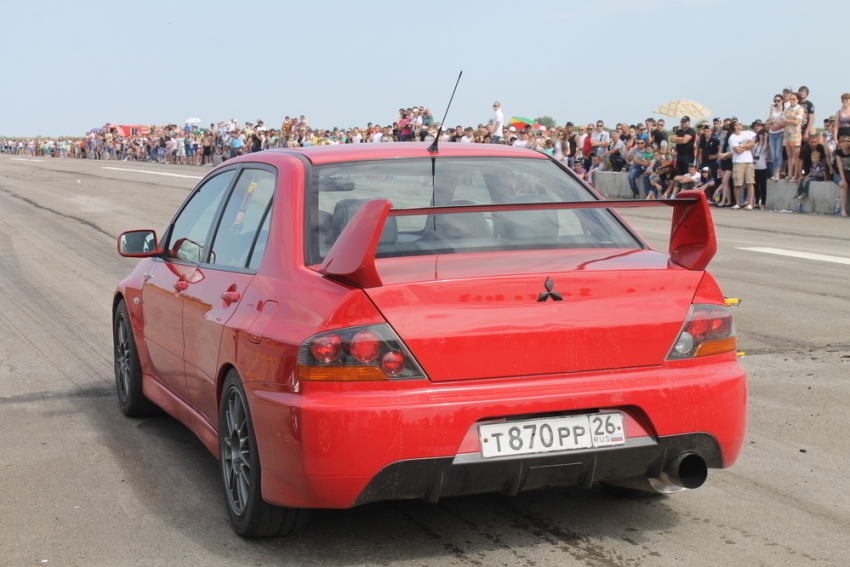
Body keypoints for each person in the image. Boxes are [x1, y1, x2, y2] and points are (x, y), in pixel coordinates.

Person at [728, 120, 756, 209]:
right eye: (739, 124)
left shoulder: (745, 133)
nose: (741, 125)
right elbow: (737, 150)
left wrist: (743, 146)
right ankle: (737, 203)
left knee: (750, 182)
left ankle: (750, 203)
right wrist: (747, 146)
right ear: (735, 126)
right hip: (738, 162)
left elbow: (752, 142)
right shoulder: (732, 138)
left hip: (748, 161)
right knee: (738, 184)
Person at [781, 92, 805, 181]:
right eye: (790, 99)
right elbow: (782, 121)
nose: (791, 101)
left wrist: (788, 121)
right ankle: (790, 174)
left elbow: (796, 122)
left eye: (793, 99)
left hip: (795, 134)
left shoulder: (800, 109)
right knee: (789, 155)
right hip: (787, 133)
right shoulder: (787, 109)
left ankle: (796, 174)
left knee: (796, 155)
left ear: (798, 100)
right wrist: (790, 120)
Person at [766, 94, 785, 180]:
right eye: (775, 101)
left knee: (778, 154)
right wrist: (771, 109)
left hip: (780, 133)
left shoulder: (784, 111)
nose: (777, 102)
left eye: (778, 100)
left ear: (782, 101)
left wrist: (775, 125)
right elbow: (769, 121)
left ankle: (777, 172)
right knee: (773, 155)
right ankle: (774, 172)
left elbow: (783, 123)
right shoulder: (773, 111)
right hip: (772, 134)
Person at [752, 125, 770, 209]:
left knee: (762, 185)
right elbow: (752, 153)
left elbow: (765, 148)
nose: (761, 135)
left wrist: (766, 138)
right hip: (755, 166)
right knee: (755, 185)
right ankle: (756, 201)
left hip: (763, 167)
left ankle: (763, 202)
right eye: (760, 134)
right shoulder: (755, 144)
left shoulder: (766, 144)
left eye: (763, 134)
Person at [833, 135, 850, 216]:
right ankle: (843, 210)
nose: (843, 144)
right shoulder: (838, 153)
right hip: (838, 174)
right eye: (841, 142)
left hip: (848, 172)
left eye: (845, 142)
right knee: (843, 185)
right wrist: (843, 179)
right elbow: (840, 167)